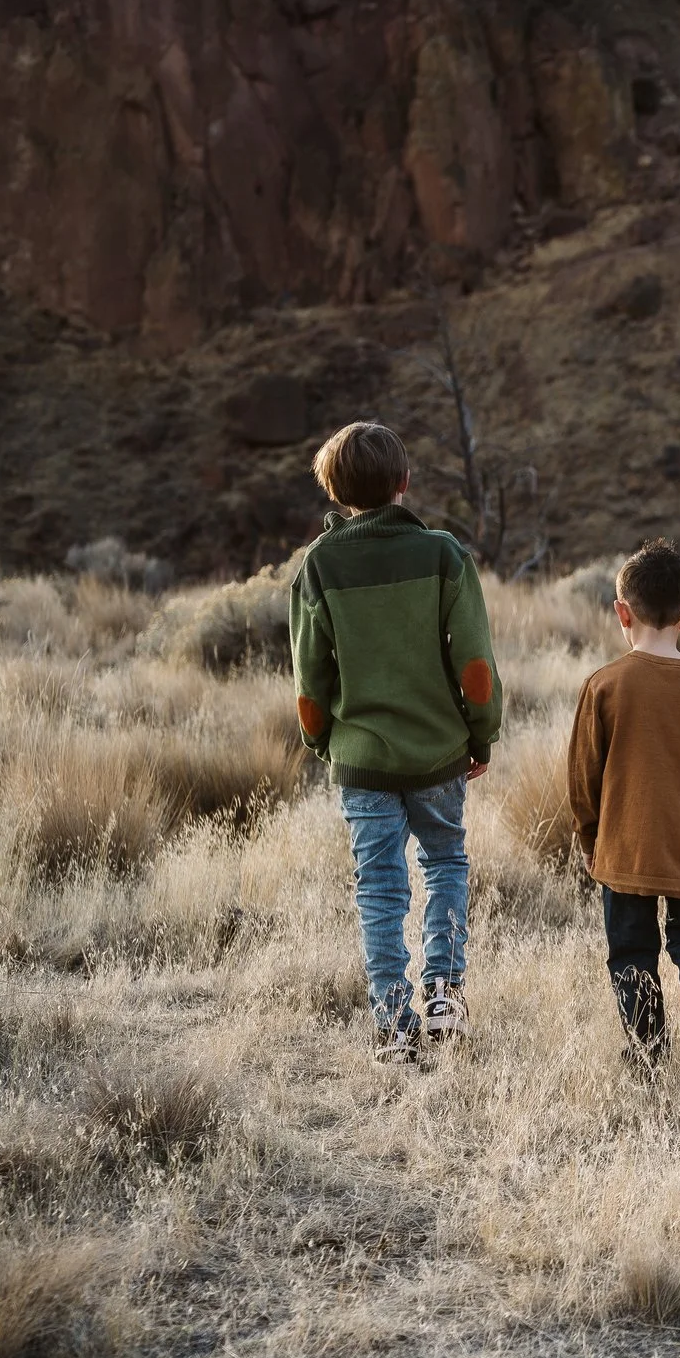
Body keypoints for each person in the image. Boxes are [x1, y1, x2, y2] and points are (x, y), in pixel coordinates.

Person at [289, 422, 503, 1066]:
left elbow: (309, 678)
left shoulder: (319, 565)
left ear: (332, 490)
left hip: (362, 760)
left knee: (379, 888)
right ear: (404, 483)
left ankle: (392, 1021)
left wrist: (325, 741)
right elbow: (475, 664)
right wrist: (480, 734)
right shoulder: (441, 555)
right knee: (444, 864)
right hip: (440, 751)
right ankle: (444, 993)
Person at [565, 540, 680, 1098]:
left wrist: (591, 838)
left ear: (622, 613)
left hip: (625, 852)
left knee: (632, 954)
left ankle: (647, 1058)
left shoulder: (605, 684)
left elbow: (582, 780)